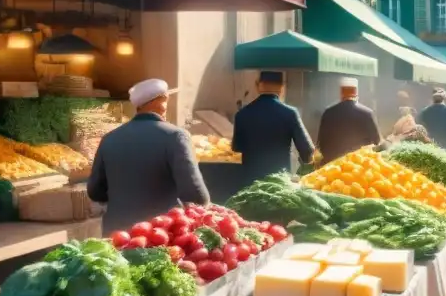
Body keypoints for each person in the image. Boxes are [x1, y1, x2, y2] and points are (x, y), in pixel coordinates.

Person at [88, 78, 209, 233]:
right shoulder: (175, 136)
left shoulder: (109, 138)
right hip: (159, 235)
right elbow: (196, 195)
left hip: (116, 235)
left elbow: (95, 191)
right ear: (161, 102)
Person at [232, 71, 314, 184]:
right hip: (279, 183)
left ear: (258, 85)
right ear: (282, 87)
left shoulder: (242, 114)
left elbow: (236, 147)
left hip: (250, 184)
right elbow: (307, 150)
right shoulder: (290, 113)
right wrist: (304, 170)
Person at [316, 77, 382, 163]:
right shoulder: (367, 113)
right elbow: (377, 141)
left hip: (333, 167)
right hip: (359, 166)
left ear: (341, 93)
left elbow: (321, 143)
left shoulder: (328, 112)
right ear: (356, 93)